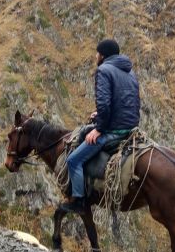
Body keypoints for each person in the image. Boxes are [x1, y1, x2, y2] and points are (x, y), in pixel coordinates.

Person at [60, 39, 140, 214]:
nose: (95, 56)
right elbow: (126, 102)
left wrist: (99, 128)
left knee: (73, 160)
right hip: (130, 128)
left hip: (113, 131)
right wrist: (100, 114)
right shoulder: (130, 72)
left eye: (97, 53)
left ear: (102, 55)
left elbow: (104, 104)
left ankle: (79, 201)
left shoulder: (103, 70)